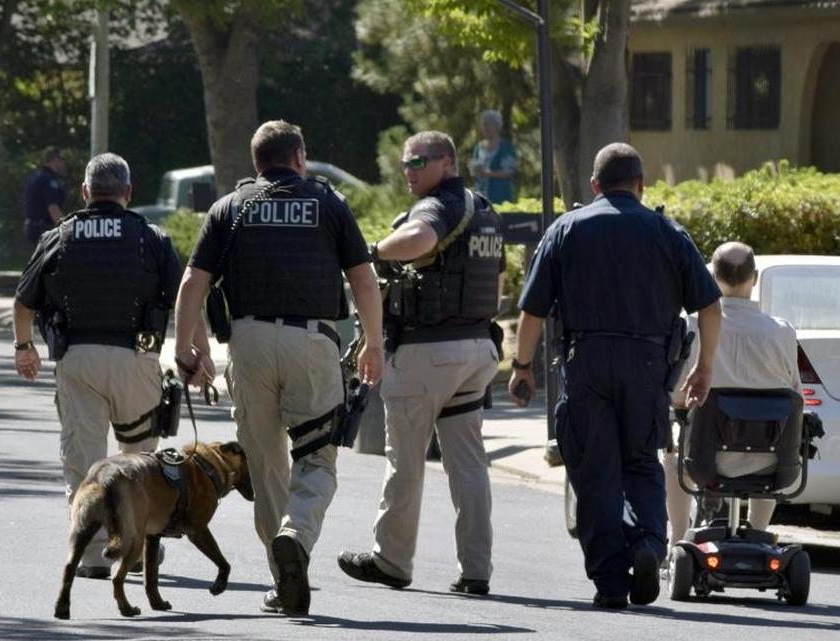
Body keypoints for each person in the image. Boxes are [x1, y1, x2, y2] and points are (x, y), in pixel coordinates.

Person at [173, 120, 384, 617]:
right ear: (300, 158)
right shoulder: (328, 204)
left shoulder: (230, 206)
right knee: (317, 457)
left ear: (256, 163)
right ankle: (297, 535)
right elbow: (364, 281)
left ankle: (281, 578)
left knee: (266, 467)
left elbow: (191, 285)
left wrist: (188, 352)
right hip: (311, 342)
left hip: (246, 344)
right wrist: (373, 343)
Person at [508, 142, 722, 610]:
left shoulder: (567, 228)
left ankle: (609, 581)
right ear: (641, 185)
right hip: (647, 368)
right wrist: (703, 370)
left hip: (586, 364)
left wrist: (522, 367)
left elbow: (533, 310)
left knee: (595, 471)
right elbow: (710, 305)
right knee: (642, 461)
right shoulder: (667, 232)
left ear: (594, 185)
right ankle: (647, 542)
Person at [337, 130, 504, 597]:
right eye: (405, 163)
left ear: (447, 163)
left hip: (428, 352)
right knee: (468, 464)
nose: (408, 171)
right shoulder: (485, 213)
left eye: (418, 162)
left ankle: (391, 560)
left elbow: (419, 237)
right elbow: (497, 286)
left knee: (404, 462)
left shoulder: (439, 206)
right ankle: (476, 569)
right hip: (475, 351)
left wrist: (370, 252)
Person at [12, 153, 188, 579]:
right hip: (137, 359)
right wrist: (190, 352)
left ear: (86, 192)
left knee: (85, 461)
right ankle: (140, 549)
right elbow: (185, 297)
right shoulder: (153, 238)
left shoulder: (60, 235)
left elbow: (23, 300)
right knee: (139, 460)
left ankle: (92, 555)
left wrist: (24, 348)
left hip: (78, 361)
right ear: (129, 193)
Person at [662, 242, 801, 540]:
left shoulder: (694, 326)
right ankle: (758, 532)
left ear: (713, 278)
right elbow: (795, 396)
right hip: (771, 458)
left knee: (673, 453)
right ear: (755, 278)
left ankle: (678, 536)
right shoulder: (783, 331)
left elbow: (678, 395)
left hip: (705, 456)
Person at [467, 110, 517, 204]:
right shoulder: (479, 147)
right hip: (481, 197)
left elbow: (509, 172)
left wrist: (489, 174)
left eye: (489, 124)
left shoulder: (505, 147)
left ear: (497, 126)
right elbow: (474, 167)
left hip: (500, 196)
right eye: (484, 125)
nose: (486, 128)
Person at [22, 146, 67, 246]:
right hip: (43, 229)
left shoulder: (35, 176)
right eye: (62, 160)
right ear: (55, 160)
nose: (64, 163)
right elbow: (53, 208)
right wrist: (65, 230)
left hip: (31, 227)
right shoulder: (49, 181)